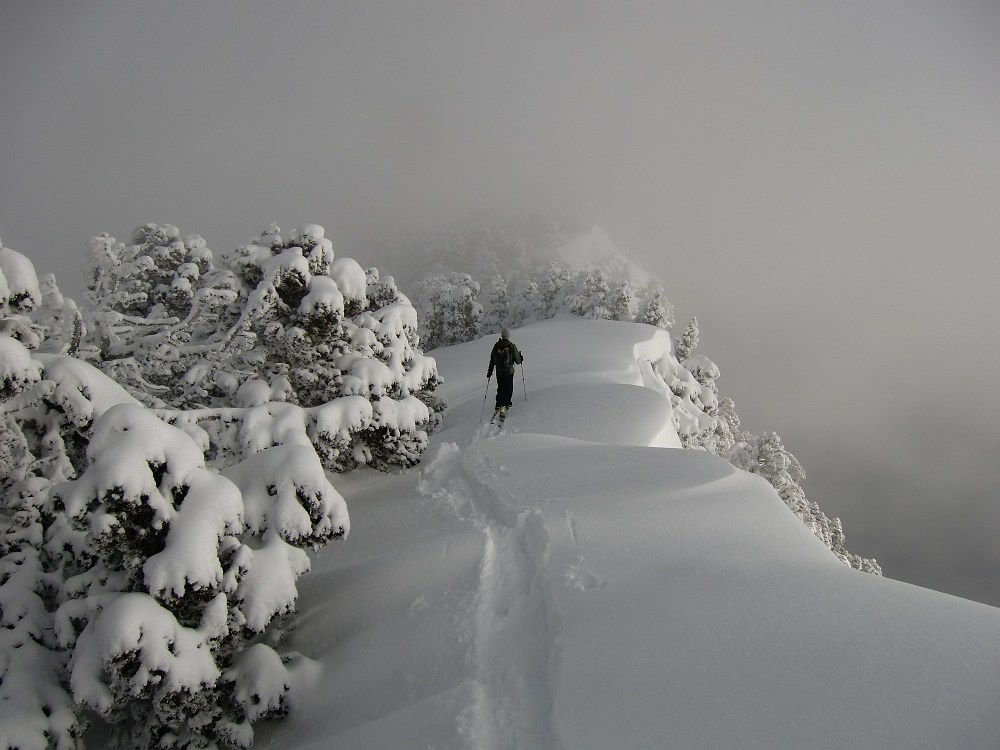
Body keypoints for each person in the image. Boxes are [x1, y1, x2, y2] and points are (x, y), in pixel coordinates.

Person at [486, 327, 523, 420]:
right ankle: (505, 406)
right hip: (509, 372)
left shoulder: (496, 345)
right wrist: (520, 357)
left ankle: (498, 405)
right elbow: (518, 361)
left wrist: (490, 371)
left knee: (501, 388)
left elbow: (492, 359)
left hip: (499, 372)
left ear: (502, 335)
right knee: (508, 389)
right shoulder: (512, 346)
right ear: (509, 336)